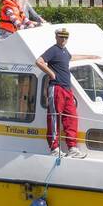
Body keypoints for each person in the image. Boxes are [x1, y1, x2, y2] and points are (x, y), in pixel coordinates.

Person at [36, 26, 85, 158]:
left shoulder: (64, 51)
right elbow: (39, 61)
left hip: (67, 89)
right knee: (54, 117)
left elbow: (71, 57)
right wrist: (52, 74)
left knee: (71, 118)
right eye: (61, 36)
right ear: (56, 37)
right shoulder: (53, 50)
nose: (63, 39)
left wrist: (90, 56)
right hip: (56, 88)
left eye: (65, 37)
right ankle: (54, 148)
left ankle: (72, 148)